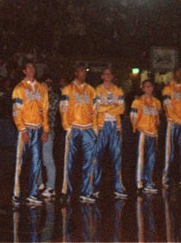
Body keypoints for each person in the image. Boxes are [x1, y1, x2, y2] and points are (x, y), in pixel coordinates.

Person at [11, 61, 49, 208]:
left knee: (36, 162)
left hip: (37, 129)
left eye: (33, 67)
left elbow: (45, 110)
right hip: (25, 129)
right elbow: (16, 111)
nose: (31, 70)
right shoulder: (19, 88)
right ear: (24, 71)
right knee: (20, 162)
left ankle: (32, 193)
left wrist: (45, 130)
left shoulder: (41, 88)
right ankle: (16, 194)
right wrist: (23, 130)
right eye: (28, 68)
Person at [60, 64, 98, 202]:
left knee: (90, 160)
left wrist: (95, 128)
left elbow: (95, 109)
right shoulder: (68, 89)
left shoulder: (91, 90)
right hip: (74, 127)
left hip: (88, 128)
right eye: (81, 71)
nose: (83, 73)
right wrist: (67, 127)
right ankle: (67, 191)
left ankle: (86, 192)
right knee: (69, 161)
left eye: (85, 71)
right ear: (76, 73)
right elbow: (63, 108)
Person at [91, 67, 127, 199]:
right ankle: (94, 187)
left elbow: (122, 109)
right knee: (97, 157)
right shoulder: (96, 90)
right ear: (102, 76)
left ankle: (118, 188)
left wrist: (106, 108)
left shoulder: (118, 90)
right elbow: (96, 108)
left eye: (109, 74)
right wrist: (112, 107)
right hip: (101, 126)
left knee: (117, 157)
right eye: (105, 74)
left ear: (112, 76)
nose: (107, 76)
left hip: (115, 126)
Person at [162, 66, 181, 188]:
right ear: (173, 74)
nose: (179, 75)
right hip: (173, 123)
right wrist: (179, 121)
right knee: (169, 152)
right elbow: (168, 107)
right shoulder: (167, 89)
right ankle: (165, 178)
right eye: (177, 73)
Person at [131, 79, 161, 193]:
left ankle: (149, 181)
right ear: (143, 88)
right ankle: (139, 182)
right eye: (146, 86)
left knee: (151, 158)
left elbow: (157, 117)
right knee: (141, 157)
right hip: (142, 132)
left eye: (150, 86)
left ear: (152, 87)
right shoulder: (137, 101)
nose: (148, 88)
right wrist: (136, 128)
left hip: (153, 133)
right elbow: (133, 116)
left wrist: (157, 124)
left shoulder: (157, 102)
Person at [40, 74, 60, 199]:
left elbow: (48, 110)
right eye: (45, 83)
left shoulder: (54, 97)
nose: (47, 86)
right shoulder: (38, 96)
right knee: (37, 158)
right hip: (36, 130)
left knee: (47, 159)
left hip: (48, 131)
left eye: (49, 84)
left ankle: (51, 186)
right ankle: (39, 183)